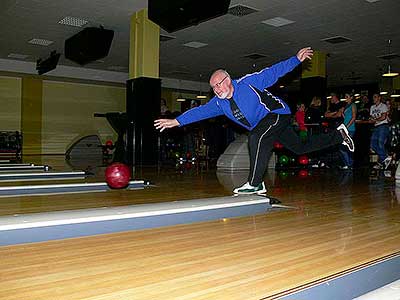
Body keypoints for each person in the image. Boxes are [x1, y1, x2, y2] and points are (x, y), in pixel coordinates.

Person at [155, 47, 354, 195]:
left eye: (219, 84)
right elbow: (199, 112)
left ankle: (255, 183)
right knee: (300, 148)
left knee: (256, 136)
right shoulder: (219, 103)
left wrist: (295, 60)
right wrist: (176, 121)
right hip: (268, 123)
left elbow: (272, 72)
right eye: (213, 87)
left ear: (228, 80)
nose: (216, 89)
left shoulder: (247, 83)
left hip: (278, 113)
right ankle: (339, 136)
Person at [370, 93, 392, 169]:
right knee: (372, 145)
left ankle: (382, 161)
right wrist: (371, 120)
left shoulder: (383, 106)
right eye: (373, 97)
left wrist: (375, 119)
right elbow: (372, 117)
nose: (374, 98)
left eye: (375, 97)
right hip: (376, 127)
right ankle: (385, 157)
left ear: (379, 98)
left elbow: (383, 117)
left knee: (380, 144)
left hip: (383, 126)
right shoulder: (372, 107)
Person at [339, 93, 357, 170]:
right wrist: (342, 112)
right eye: (345, 97)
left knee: (347, 146)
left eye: (347, 96)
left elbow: (353, 117)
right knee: (343, 147)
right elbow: (345, 117)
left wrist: (347, 126)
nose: (345, 98)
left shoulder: (353, 105)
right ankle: (348, 164)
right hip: (345, 129)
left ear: (351, 97)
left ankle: (349, 164)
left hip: (350, 129)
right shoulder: (347, 106)